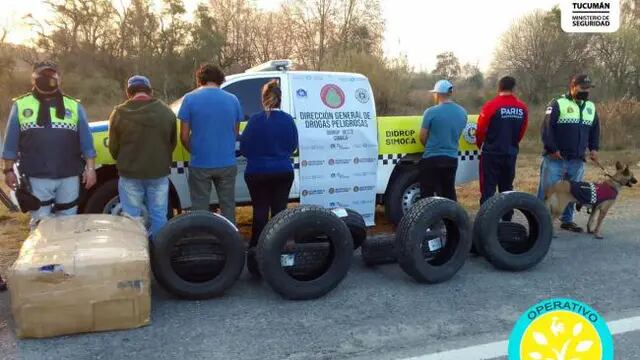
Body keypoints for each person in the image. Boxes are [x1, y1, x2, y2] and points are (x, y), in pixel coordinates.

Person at [1, 61, 96, 228]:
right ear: (33, 80)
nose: (47, 79)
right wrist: (8, 170)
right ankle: (40, 255)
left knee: (68, 222)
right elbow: (10, 143)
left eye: (51, 75)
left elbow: (87, 142)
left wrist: (90, 169)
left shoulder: (74, 106)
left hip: (69, 175)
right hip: (36, 176)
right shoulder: (21, 105)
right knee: (40, 225)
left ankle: (64, 253)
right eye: (42, 75)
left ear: (59, 79)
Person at [108, 76, 177, 238]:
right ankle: (159, 252)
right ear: (150, 91)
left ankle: (136, 256)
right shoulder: (166, 112)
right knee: (159, 215)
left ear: (128, 93)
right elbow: (171, 143)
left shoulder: (118, 113)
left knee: (132, 217)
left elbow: (113, 148)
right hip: (158, 173)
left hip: (130, 174)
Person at [178, 64, 243, 224]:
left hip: (200, 162)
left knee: (200, 206)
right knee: (228, 206)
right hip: (227, 162)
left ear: (200, 79)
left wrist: (194, 151)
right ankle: (230, 239)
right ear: (220, 79)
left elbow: (184, 136)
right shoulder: (233, 99)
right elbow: (235, 133)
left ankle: (201, 239)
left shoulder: (190, 99)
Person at [537, 74, 600, 233]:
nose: (585, 91)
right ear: (572, 87)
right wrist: (552, 149)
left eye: (588, 88)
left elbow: (594, 130)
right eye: (582, 88)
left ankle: (567, 220)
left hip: (577, 159)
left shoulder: (591, 107)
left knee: (573, 192)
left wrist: (594, 148)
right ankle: (539, 221)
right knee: (548, 191)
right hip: (555, 158)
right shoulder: (557, 103)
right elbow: (546, 129)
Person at [240, 80, 298, 250]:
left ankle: (256, 250)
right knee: (280, 213)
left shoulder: (255, 120)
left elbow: (244, 148)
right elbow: (293, 146)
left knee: (260, 212)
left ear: (263, 99)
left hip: (257, 172)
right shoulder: (288, 120)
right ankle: (278, 251)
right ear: (280, 99)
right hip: (283, 171)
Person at [476, 76, 529, 219]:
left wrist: (479, 144)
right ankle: (507, 221)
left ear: (498, 88)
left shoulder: (491, 106)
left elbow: (480, 129)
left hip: (492, 152)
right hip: (510, 153)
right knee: (506, 188)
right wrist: (512, 144)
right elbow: (522, 131)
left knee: (488, 188)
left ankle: (486, 221)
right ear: (514, 88)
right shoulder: (522, 107)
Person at [419, 79, 468, 201]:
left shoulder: (430, 112)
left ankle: (428, 219)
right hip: (451, 158)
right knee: (449, 192)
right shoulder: (463, 112)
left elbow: (422, 136)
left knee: (427, 194)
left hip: (431, 157)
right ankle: (451, 219)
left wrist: (430, 146)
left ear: (438, 94)